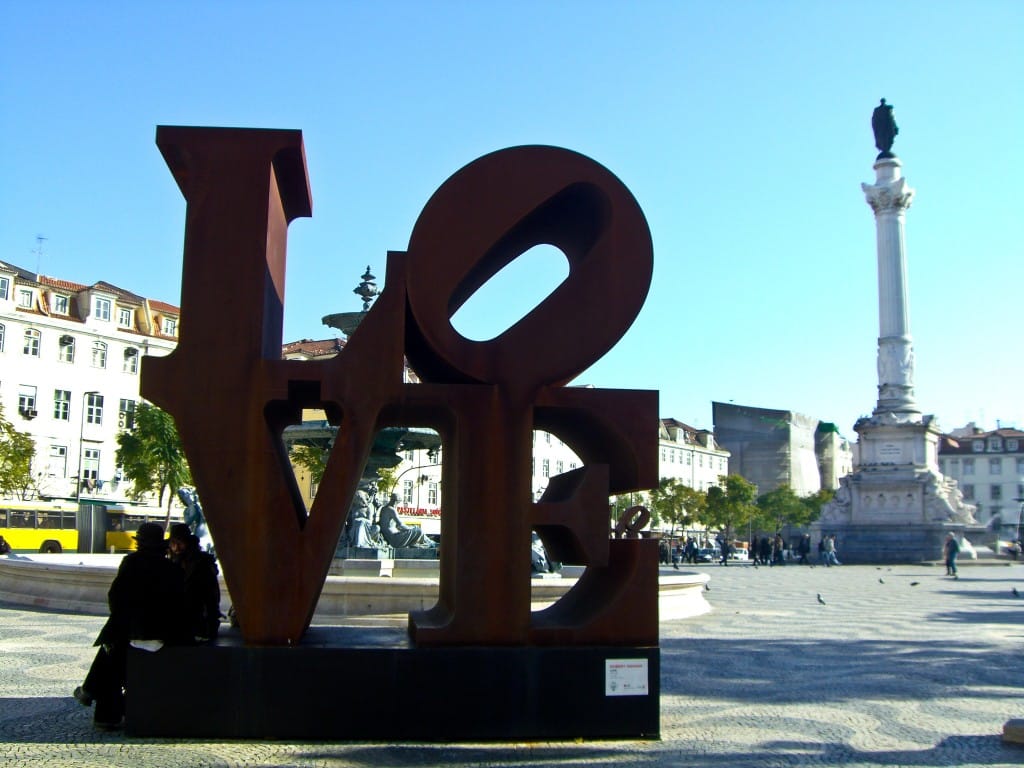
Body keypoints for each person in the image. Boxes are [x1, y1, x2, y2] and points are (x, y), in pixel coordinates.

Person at [73, 522, 186, 729]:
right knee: (111, 648)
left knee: (110, 651)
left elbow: (116, 597)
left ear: (139, 543)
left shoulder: (131, 563)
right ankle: (89, 692)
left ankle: (101, 707)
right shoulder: (173, 569)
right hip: (166, 634)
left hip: (136, 633)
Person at [168, 523, 221, 642]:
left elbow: (211, 596)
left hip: (199, 622)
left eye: (180, 543)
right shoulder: (173, 563)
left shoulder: (202, 563)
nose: (176, 548)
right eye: (173, 544)